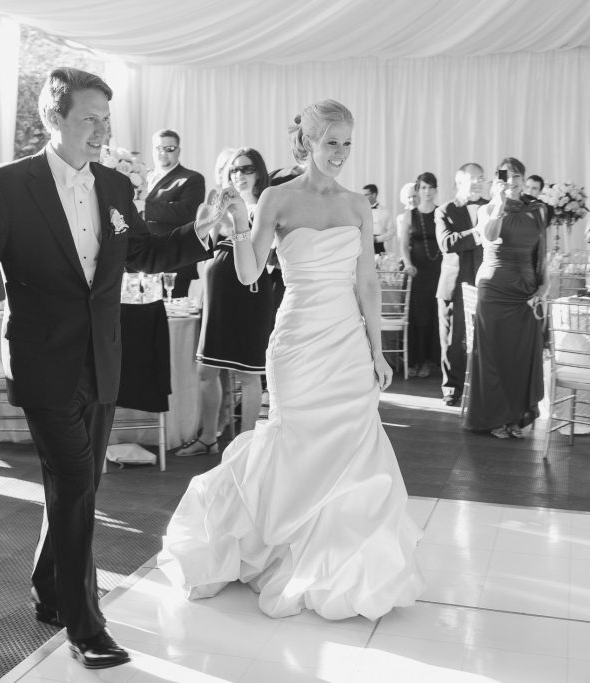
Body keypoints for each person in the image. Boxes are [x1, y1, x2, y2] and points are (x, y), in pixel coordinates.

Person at [0, 67, 220, 670]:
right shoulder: (10, 184)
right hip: (43, 359)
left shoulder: (117, 187)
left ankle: (49, 590)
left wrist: (202, 234)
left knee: (79, 485)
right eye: (89, 118)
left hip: (102, 357)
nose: (101, 131)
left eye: (106, 120)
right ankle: (84, 622)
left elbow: (143, 249)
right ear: (54, 118)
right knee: (74, 485)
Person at [159, 99, 424, 620]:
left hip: (346, 341)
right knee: (295, 438)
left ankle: (343, 557)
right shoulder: (277, 198)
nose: (342, 154)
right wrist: (238, 224)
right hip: (298, 338)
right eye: (332, 143)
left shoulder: (356, 205)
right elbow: (249, 271)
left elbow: (367, 281)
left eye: (348, 143)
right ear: (308, 143)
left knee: (352, 441)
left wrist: (376, 348)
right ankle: (272, 541)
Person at [177, 147, 274, 456]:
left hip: (249, 291)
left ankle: (246, 444)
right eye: (234, 170)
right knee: (206, 369)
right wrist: (211, 216)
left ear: (258, 172)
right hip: (218, 291)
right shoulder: (222, 205)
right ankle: (208, 437)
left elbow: (263, 252)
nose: (239, 175)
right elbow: (204, 244)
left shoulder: (266, 206)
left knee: (247, 372)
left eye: (245, 169)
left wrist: (235, 217)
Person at [465, 157, 547, 438]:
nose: (512, 182)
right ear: (497, 180)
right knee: (494, 355)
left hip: (525, 292)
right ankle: (492, 419)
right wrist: (499, 204)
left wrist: (542, 288)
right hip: (495, 289)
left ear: (524, 180)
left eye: (516, 178)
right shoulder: (486, 208)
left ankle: (514, 417)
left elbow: (542, 254)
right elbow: (489, 236)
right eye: (505, 177)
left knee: (520, 357)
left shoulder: (537, 211)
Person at [434, 162, 488, 405]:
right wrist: (479, 232)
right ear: (459, 180)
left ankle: (481, 386)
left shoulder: (491, 208)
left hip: (485, 282)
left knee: (486, 338)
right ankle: (452, 389)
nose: (477, 182)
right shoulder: (444, 210)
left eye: (481, 178)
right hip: (455, 283)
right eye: (472, 178)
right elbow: (446, 243)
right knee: (453, 340)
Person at [144, 129, 206, 298]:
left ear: (178, 150)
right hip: (141, 261)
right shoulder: (142, 177)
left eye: (169, 148)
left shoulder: (191, 178)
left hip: (173, 260)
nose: (163, 153)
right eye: (158, 148)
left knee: (172, 318)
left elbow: (186, 212)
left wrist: (143, 206)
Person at [397, 172, 441, 377]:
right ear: (418, 190)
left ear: (436, 190)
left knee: (434, 316)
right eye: (423, 187)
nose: (428, 192)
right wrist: (407, 264)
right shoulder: (409, 215)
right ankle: (415, 360)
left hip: (438, 272)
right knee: (418, 317)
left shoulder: (443, 213)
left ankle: (429, 362)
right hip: (416, 272)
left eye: (431, 187)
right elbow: (403, 245)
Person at [362, 183, 395, 254]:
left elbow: (392, 231)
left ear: (374, 195)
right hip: (362, 246)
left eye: (366, 195)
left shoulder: (385, 211)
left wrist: (377, 239)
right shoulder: (360, 211)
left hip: (379, 247)